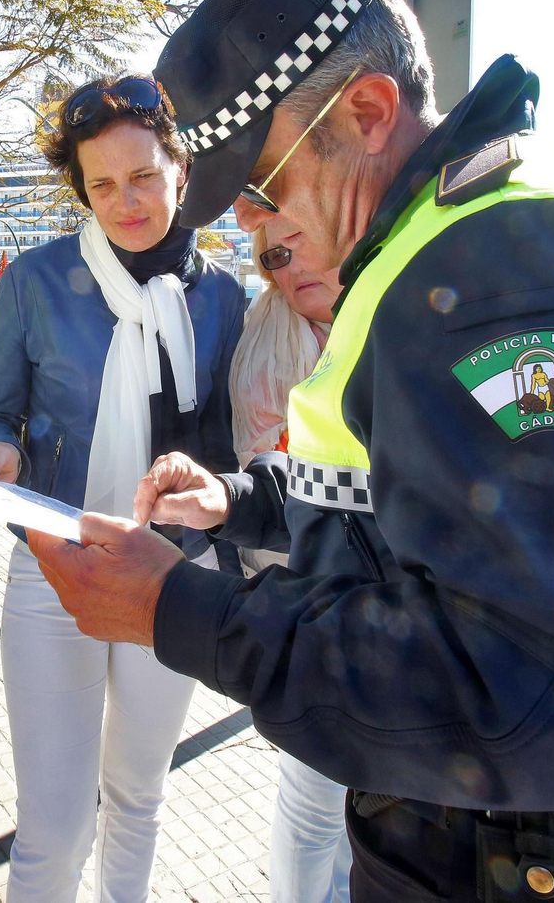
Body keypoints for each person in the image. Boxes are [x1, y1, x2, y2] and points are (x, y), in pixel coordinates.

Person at [23, 0, 554, 901]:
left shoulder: (511, 271)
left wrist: (184, 612)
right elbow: (429, 499)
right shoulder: (452, 240)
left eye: (260, 184)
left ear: (367, 112)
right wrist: (243, 500)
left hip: (530, 861)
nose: (249, 224)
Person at [0, 74, 245, 903]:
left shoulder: (225, 295)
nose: (126, 202)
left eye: (144, 175)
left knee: (138, 798)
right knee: (53, 830)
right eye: (102, 185)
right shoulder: (34, 281)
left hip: (173, 575)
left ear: (179, 169)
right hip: (55, 566)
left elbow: (230, 447)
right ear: (81, 190)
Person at [227, 221, 350, 903]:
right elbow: (268, 466)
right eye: (275, 255)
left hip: (380, 587)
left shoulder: (385, 311)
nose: (293, 265)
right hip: (303, 581)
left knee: (365, 797)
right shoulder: (271, 337)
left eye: (308, 243)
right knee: (316, 791)